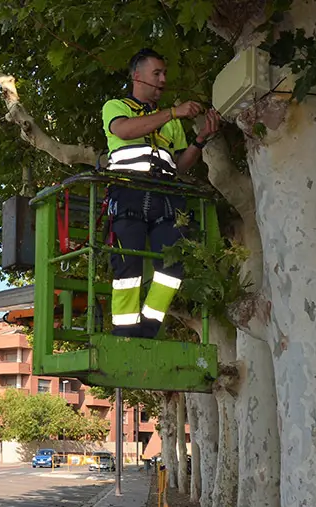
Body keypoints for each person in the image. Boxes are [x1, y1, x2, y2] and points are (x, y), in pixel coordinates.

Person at [102, 48, 220, 338]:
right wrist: (173, 112)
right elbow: (126, 131)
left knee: (172, 265)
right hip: (128, 192)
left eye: (165, 74)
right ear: (137, 76)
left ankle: (149, 328)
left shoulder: (173, 123)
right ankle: (125, 333)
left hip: (166, 197)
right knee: (127, 266)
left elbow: (179, 165)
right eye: (157, 73)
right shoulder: (116, 107)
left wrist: (201, 140)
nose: (163, 80)